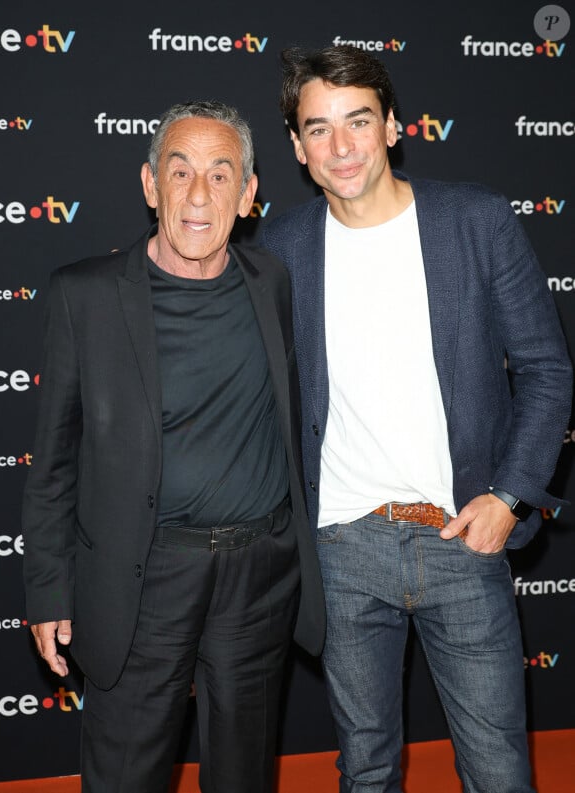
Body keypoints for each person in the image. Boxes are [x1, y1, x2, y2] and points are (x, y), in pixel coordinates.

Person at [262, 45, 572, 793]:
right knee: (364, 768)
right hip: (342, 547)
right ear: (297, 147)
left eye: (358, 121)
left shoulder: (477, 221)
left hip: (460, 534)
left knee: (499, 771)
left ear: (394, 126)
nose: (341, 146)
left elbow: (546, 367)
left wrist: (507, 497)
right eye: (318, 127)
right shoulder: (278, 249)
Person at [22, 99, 325, 793]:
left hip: (258, 576)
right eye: (179, 171)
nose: (197, 194)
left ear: (249, 196)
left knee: (243, 774)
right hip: (143, 575)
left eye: (221, 176)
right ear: (149, 184)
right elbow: (53, 464)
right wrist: (46, 590)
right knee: (125, 773)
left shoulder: (271, 282)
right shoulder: (86, 296)